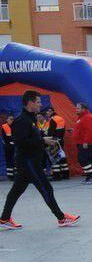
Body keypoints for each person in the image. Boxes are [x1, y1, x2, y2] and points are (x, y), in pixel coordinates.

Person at [0, 91, 80, 230]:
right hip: (28, 162)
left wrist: (43, 140)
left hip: (29, 161)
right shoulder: (22, 120)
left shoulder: (31, 119)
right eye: (38, 102)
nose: (41, 104)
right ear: (30, 103)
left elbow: (32, 138)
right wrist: (42, 140)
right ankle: (61, 218)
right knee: (46, 188)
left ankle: (4, 218)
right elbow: (20, 142)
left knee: (16, 190)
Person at [72, 102, 92, 184]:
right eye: (76, 108)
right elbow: (83, 130)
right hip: (83, 142)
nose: (76, 109)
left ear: (83, 109)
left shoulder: (87, 118)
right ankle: (90, 176)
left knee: (82, 159)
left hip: (87, 143)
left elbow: (90, 131)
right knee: (88, 160)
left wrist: (86, 142)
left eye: (78, 108)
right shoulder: (82, 117)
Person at [45, 107, 69, 180]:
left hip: (54, 140)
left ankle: (57, 175)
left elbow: (52, 131)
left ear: (51, 111)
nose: (47, 114)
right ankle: (65, 174)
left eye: (47, 112)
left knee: (55, 158)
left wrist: (49, 139)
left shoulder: (53, 119)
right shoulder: (59, 118)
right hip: (59, 140)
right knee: (61, 158)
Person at [2, 115, 14, 180]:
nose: (12, 120)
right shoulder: (4, 126)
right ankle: (10, 175)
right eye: (10, 119)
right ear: (7, 120)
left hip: (15, 146)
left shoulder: (15, 126)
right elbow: (4, 138)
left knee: (16, 161)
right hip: (8, 147)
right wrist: (10, 143)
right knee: (9, 160)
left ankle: (16, 175)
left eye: (12, 119)